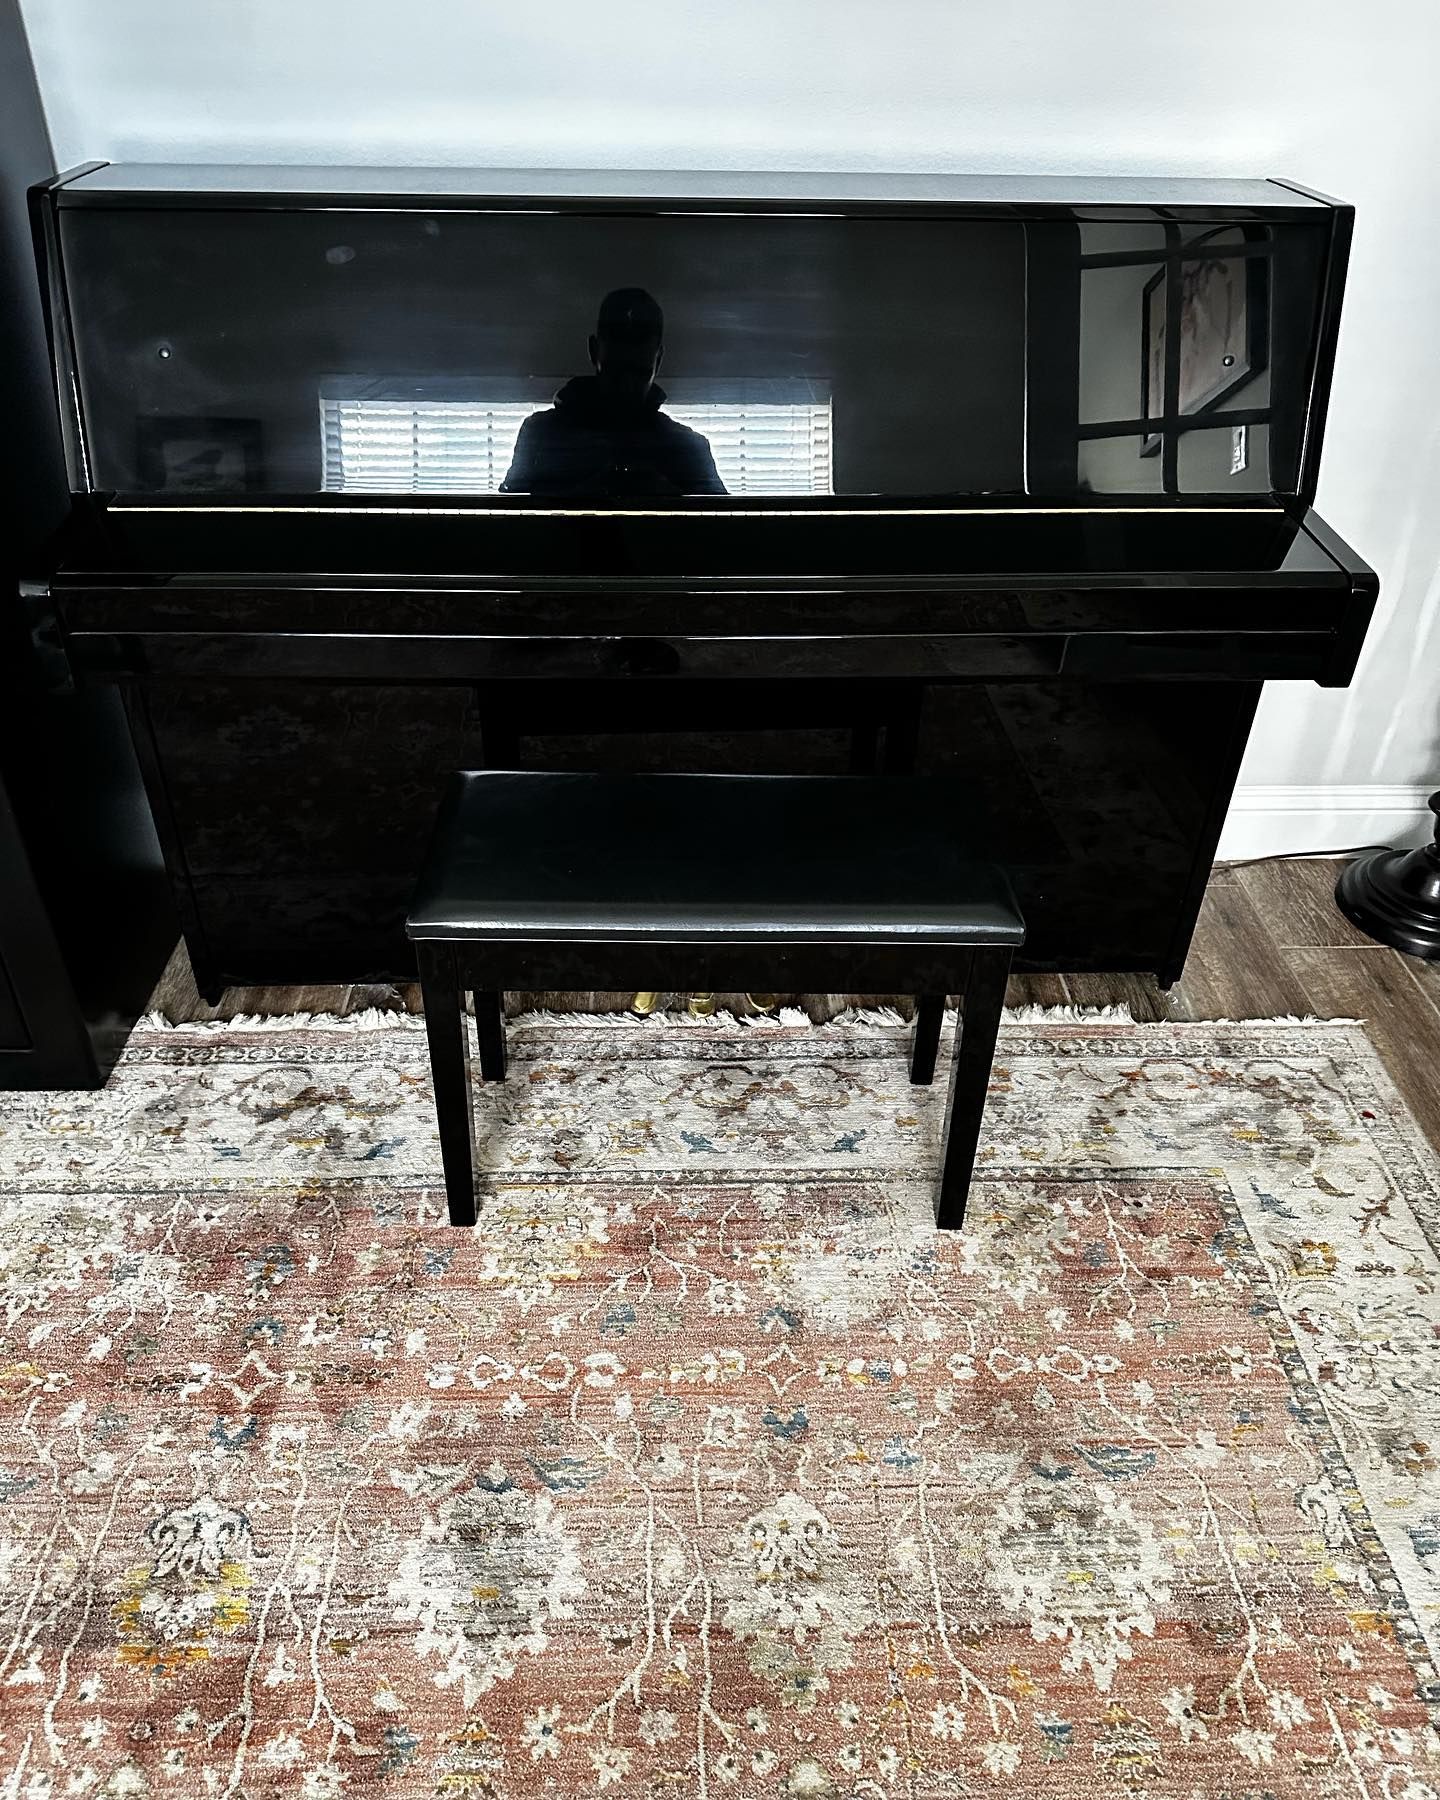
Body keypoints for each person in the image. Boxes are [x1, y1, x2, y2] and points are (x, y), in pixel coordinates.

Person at [501, 288, 726, 496]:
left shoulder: (688, 448)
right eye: (615, 371)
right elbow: (508, 525)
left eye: (639, 373)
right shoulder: (540, 435)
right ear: (593, 351)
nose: (626, 386)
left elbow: (729, 530)